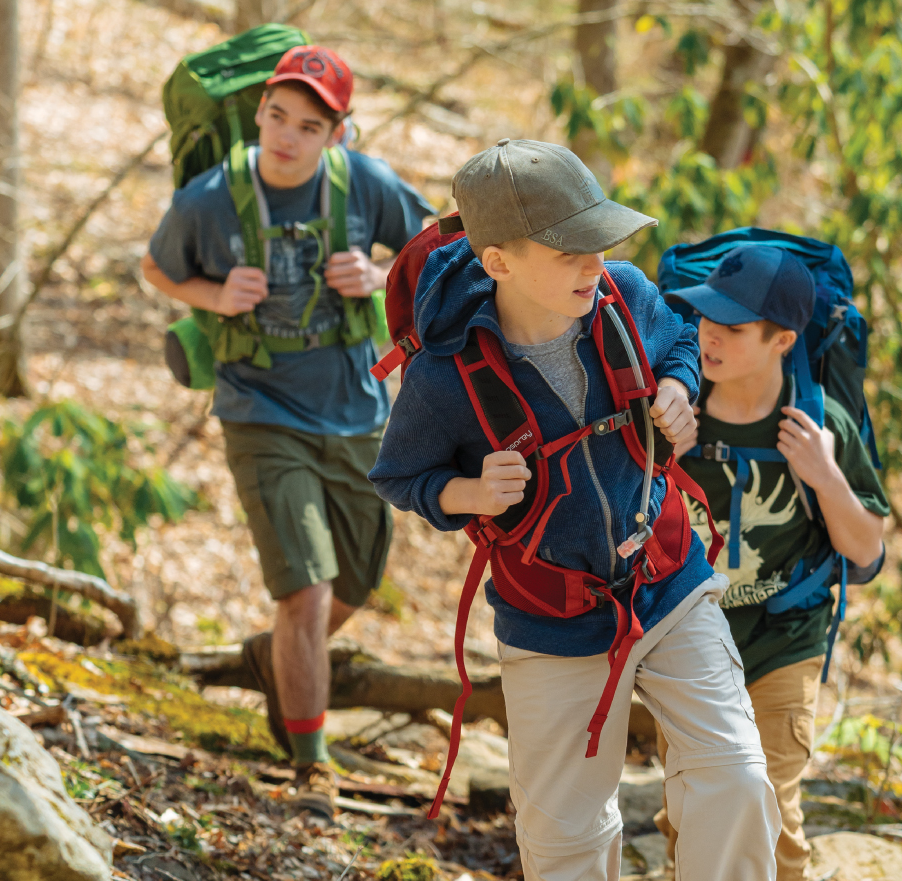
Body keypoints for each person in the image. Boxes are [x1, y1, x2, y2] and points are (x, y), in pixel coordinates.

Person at [369, 138, 780, 880]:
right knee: (564, 843)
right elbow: (400, 477)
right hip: (550, 618)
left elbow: (680, 342)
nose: (594, 264)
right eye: (568, 253)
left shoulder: (622, 296)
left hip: (667, 582)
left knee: (738, 778)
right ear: (498, 262)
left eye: (597, 242)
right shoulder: (445, 373)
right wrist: (467, 493)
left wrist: (679, 389)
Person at [140, 44, 435, 817]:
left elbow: (435, 243)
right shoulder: (211, 198)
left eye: (308, 125)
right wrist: (211, 291)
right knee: (305, 590)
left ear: (336, 134)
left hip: (356, 405)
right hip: (259, 406)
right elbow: (157, 267)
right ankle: (311, 763)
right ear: (262, 110)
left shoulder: (363, 184)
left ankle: (276, 658)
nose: (285, 136)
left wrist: (377, 276)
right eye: (276, 115)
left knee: (357, 581)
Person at [659, 245, 890, 880]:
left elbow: (867, 551)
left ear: (783, 339)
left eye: (732, 329)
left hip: (785, 637)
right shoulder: (676, 405)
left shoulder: (818, 422)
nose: (708, 336)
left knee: (769, 802)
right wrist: (659, 452)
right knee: (693, 807)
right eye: (705, 319)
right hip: (687, 640)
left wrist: (825, 476)